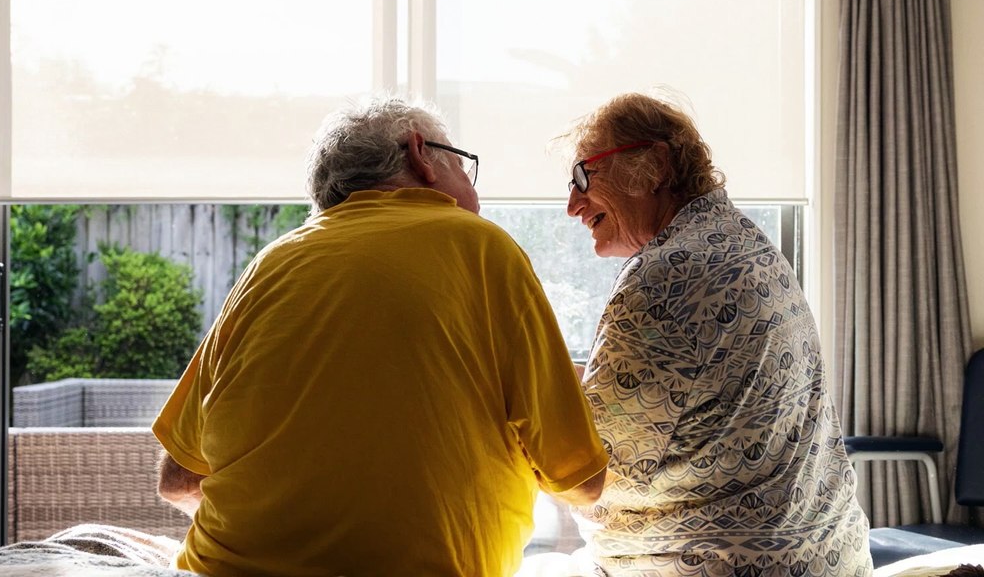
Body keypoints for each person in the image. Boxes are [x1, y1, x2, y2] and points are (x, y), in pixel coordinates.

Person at [152, 98, 609, 577]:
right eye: (463, 165)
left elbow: (179, 480)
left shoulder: (270, 265)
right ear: (420, 154)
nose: (475, 196)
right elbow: (581, 482)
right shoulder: (482, 248)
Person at [562, 92, 871, 576]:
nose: (572, 204)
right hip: (828, 559)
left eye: (584, 175)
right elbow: (674, 394)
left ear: (656, 164)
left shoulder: (665, 275)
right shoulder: (744, 242)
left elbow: (587, 472)